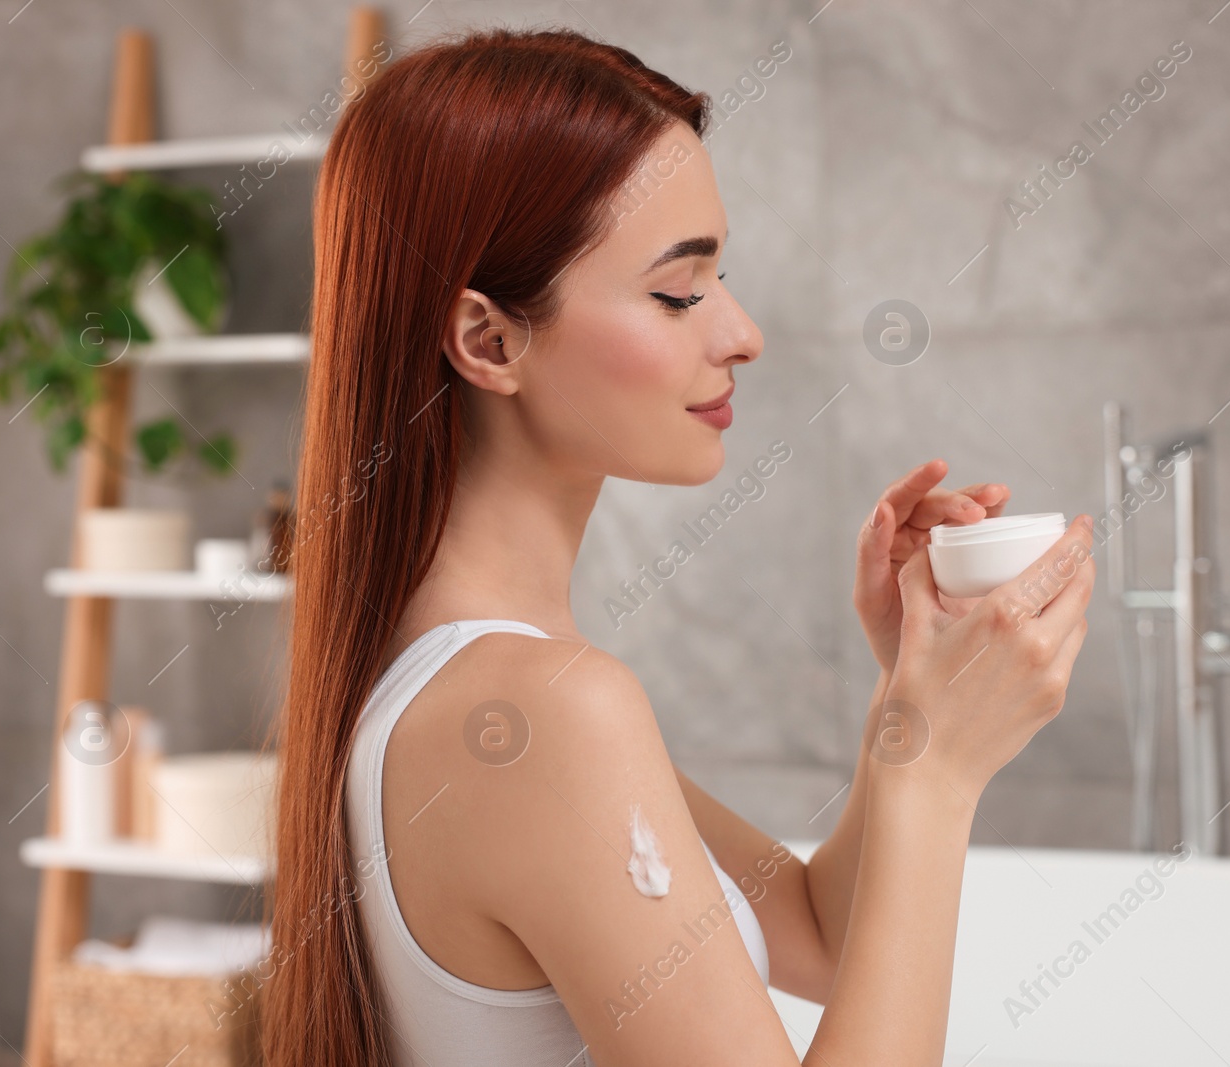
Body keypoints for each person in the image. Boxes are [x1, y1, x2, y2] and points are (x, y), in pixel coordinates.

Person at [262, 24, 1095, 1067]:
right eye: (676, 289)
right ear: (487, 339)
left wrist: (910, 695)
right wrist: (939, 771)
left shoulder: (471, 686)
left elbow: (819, 937)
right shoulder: (537, 712)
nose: (739, 331)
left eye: (720, 276)